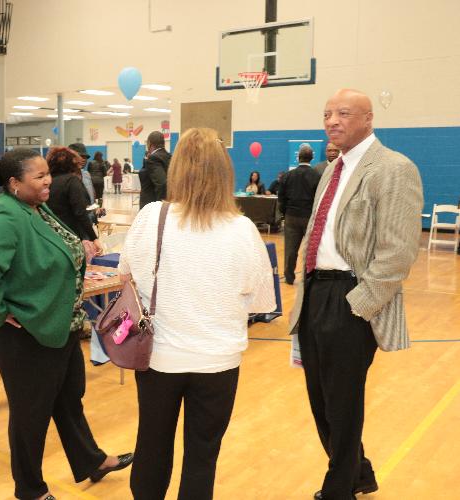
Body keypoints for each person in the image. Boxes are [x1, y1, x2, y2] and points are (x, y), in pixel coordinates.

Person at [0, 149, 133, 500]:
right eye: (39, 177)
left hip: (58, 325)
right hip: (25, 333)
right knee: (31, 414)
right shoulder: (5, 216)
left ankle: (92, 461)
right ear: (14, 183)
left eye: (47, 174)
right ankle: (30, 489)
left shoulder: (36, 209)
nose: (47, 181)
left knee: (69, 398)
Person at [119, 128, 275, 500]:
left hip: (158, 357)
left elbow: (125, 275)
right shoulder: (242, 229)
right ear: (225, 173)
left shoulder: (151, 217)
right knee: (203, 456)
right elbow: (261, 303)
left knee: (152, 444)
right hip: (217, 361)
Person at [290, 89, 423, 500]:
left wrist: (359, 306)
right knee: (321, 399)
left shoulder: (394, 169)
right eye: (327, 114)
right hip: (315, 293)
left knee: (343, 402)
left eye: (343, 113)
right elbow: (316, 232)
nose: (332, 121)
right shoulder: (332, 170)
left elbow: (398, 251)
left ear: (368, 118)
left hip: (351, 297)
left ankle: (339, 488)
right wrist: (301, 283)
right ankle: (360, 472)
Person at [46, 146, 103, 255]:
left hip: (50, 235)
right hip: (70, 235)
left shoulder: (47, 182)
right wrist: (94, 238)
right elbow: (80, 213)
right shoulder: (71, 181)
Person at [278, 144, 321, 285]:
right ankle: (307, 278)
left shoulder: (287, 176)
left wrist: (285, 213)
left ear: (298, 157)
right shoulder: (317, 176)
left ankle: (289, 277)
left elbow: (281, 198)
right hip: (309, 217)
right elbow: (319, 198)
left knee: (290, 250)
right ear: (312, 158)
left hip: (291, 215)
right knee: (309, 250)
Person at [139, 131, 171, 208]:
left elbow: (162, 183)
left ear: (150, 144)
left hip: (151, 205)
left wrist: (160, 206)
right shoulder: (170, 157)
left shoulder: (153, 158)